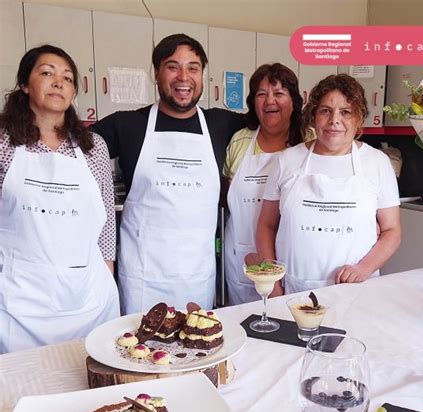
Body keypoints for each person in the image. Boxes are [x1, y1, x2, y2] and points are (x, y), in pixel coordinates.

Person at [91, 34, 245, 313]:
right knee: (136, 351)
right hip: (142, 277)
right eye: (173, 66)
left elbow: (273, 125)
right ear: (157, 74)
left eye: (193, 68)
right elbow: (69, 146)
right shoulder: (126, 126)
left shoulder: (221, 124)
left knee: (197, 345)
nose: (183, 77)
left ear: (202, 75)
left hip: (196, 276)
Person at [0, 45, 119, 353]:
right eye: (47, 73)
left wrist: (108, 278)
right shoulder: (3, 142)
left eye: (67, 77)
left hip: (86, 297)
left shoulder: (93, 146)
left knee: (91, 385)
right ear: (25, 84)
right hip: (20, 301)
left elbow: (106, 222)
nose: (59, 82)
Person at [256, 74, 401, 295]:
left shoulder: (377, 163)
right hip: (293, 290)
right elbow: (266, 225)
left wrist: (363, 269)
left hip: (356, 291)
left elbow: (392, 231)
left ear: (359, 119)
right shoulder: (287, 160)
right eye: (325, 110)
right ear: (313, 117)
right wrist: (272, 284)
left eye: (345, 112)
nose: (334, 120)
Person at [223, 63, 303, 305]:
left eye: (279, 94)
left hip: (290, 256)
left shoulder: (309, 141)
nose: (270, 101)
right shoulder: (240, 141)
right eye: (261, 94)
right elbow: (227, 191)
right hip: (242, 254)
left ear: (294, 101)